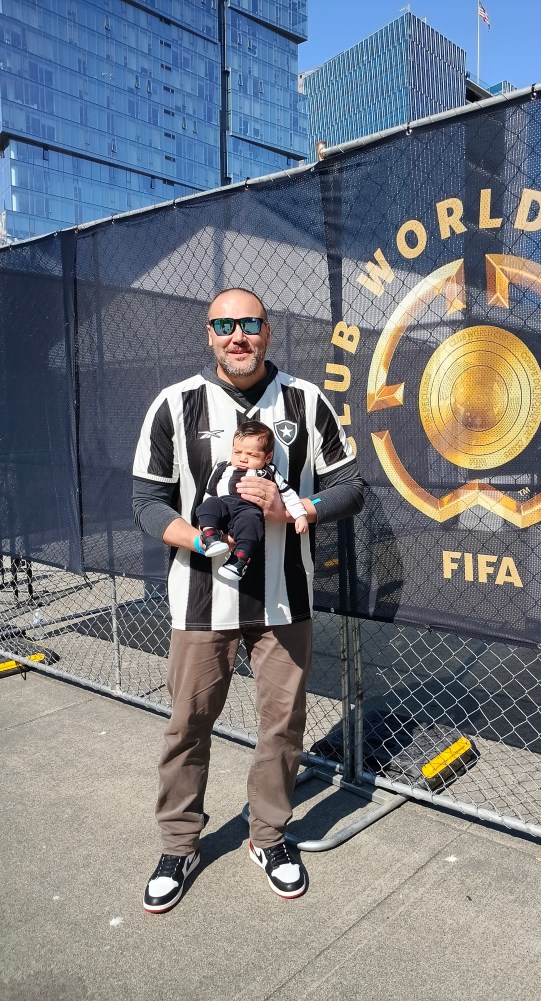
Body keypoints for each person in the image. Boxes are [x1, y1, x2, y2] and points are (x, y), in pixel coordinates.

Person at [132, 287, 363, 912]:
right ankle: (179, 844)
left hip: (284, 602)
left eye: (251, 324)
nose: (239, 336)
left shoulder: (307, 402)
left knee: (282, 726)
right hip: (201, 600)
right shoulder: (174, 405)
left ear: (268, 330)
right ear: (209, 334)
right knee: (188, 724)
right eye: (225, 325)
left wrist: (299, 508)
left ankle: (269, 834)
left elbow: (351, 489)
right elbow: (146, 503)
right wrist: (200, 542)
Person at [196, 419, 308, 582]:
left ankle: (239, 561)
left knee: (252, 523)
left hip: (247, 510)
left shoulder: (269, 471)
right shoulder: (223, 468)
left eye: (252, 455)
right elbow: (209, 492)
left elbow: (288, 493)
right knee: (209, 505)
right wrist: (205, 518)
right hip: (223, 505)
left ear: (267, 457)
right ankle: (210, 536)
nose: (242, 458)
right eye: (237, 452)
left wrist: (300, 515)